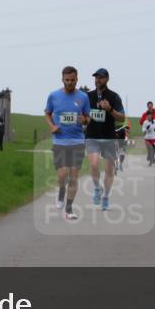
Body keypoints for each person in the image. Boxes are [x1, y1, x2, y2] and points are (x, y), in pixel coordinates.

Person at [44, 66, 90, 221]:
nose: (69, 83)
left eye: (72, 80)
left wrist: (84, 120)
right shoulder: (53, 96)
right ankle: (61, 193)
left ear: (77, 79)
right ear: (62, 79)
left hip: (77, 140)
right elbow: (47, 113)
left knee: (74, 177)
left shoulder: (83, 97)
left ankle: (69, 209)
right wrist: (52, 126)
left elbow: (88, 118)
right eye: (67, 80)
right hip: (60, 141)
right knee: (62, 175)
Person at [85, 68, 125, 210]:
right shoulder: (88, 96)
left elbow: (122, 117)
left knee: (109, 169)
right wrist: (83, 119)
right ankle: (97, 188)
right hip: (92, 137)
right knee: (94, 165)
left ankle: (106, 197)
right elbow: (82, 114)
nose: (97, 80)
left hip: (108, 137)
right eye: (96, 77)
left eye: (101, 77)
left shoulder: (114, 97)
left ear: (107, 79)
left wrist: (110, 110)